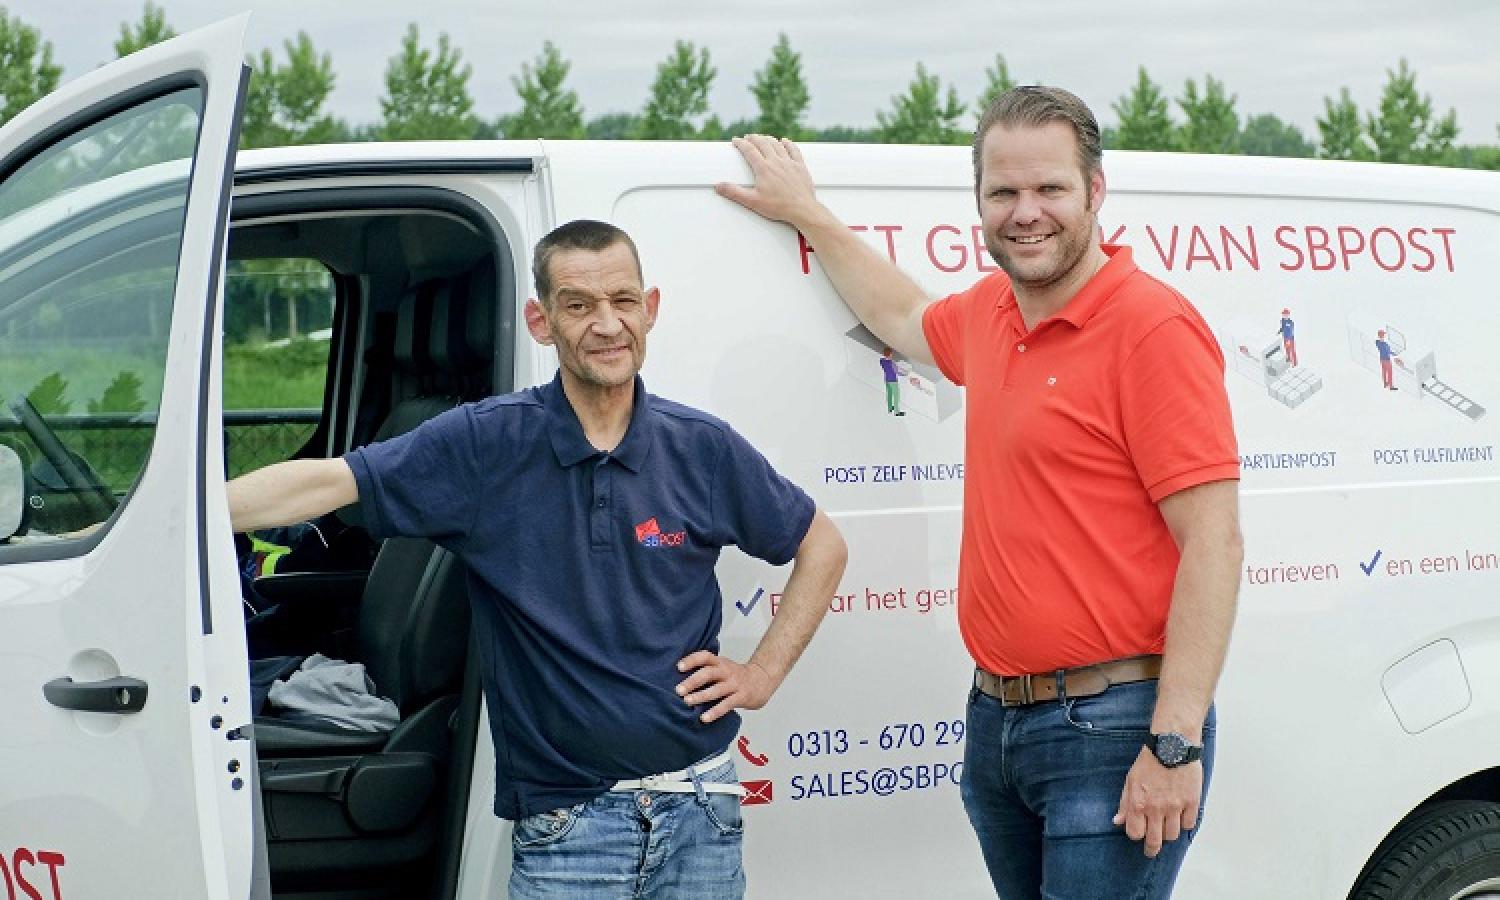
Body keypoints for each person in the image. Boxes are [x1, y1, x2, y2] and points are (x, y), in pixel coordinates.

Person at [718, 86, 1242, 898]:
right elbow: (898, 311)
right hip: (998, 720)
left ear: (1095, 192)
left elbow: (1215, 542)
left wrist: (1173, 745)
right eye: (1003, 193)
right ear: (980, 203)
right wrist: (808, 215)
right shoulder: (994, 312)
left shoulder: (1150, 328)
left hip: (1113, 728)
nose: (1026, 212)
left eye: (1050, 189)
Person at [227, 219, 847, 899]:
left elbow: (822, 545)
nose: (607, 324)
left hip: (703, 806)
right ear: (541, 320)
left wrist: (762, 673)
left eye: (624, 301)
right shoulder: (485, 444)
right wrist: (177, 519)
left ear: (651, 309)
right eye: (579, 305)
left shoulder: (701, 448)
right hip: (570, 829)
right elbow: (326, 482)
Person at [880, 347, 906, 416]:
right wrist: (905, 374)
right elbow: (898, 372)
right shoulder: (892, 363)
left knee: (889, 394)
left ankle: (890, 408)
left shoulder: (881, 360)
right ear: (890, 354)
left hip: (886, 380)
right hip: (893, 381)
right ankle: (896, 412)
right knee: (896, 396)